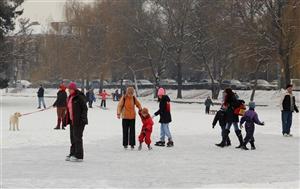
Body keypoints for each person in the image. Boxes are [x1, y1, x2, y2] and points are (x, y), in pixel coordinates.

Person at [64, 82, 88, 162]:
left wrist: (83, 118)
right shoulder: (70, 97)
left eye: (70, 89)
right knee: (72, 138)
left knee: (77, 138)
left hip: (79, 121)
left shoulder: (79, 97)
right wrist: (65, 120)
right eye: (68, 89)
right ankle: (73, 153)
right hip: (72, 120)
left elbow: (85, 109)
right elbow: (69, 110)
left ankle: (79, 155)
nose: (68, 91)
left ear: (74, 89)